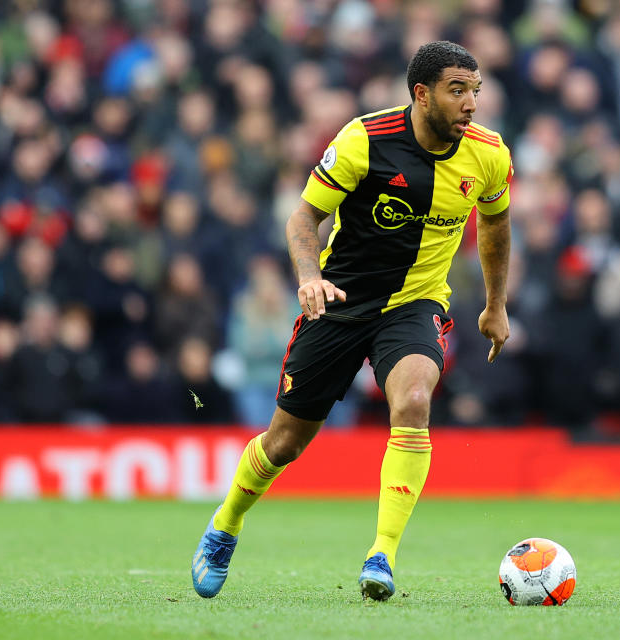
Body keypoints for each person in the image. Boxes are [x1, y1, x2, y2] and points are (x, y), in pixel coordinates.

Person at [190, 41, 512, 602]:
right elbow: (303, 219)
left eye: (475, 91)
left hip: (415, 304)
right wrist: (309, 277)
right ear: (422, 93)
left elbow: (496, 228)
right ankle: (227, 523)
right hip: (338, 300)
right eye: (457, 90)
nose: (470, 103)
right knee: (285, 444)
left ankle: (381, 554)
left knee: (413, 400)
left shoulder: (488, 155)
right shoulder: (364, 138)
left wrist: (495, 304)